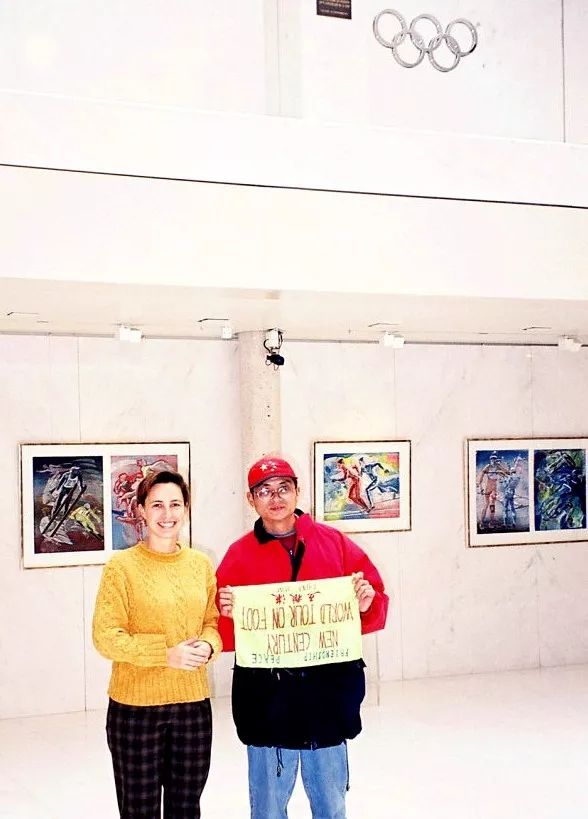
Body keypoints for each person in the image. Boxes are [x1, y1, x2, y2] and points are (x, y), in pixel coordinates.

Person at [216, 455, 388, 819]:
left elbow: (373, 603)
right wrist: (227, 612)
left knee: (331, 806)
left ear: (297, 491)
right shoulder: (238, 555)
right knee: (267, 809)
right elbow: (222, 631)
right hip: (267, 699)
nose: (275, 498)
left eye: (283, 488)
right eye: (264, 491)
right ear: (251, 499)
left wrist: (365, 601)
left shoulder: (334, 543)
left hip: (327, 696)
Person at [92, 470, 221, 819]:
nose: (167, 514)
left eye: (175, 504)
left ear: (186, 508)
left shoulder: (200, 564)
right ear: (141, 510)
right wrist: (165, 655)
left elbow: (212, 623)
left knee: (186, 809)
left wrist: (208, 646)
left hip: (192, 708)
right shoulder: (121, 567)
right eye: (157, 505)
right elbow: (106, 636)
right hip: (135, 710)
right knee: (139, 810)